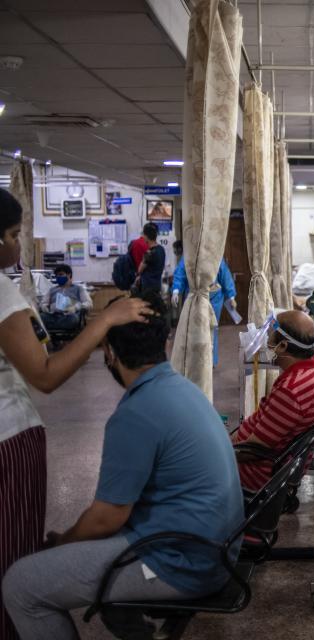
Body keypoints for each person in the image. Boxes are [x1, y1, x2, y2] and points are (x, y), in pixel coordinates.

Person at [0, 188, 152, 640]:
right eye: (12, 234)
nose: (17, 245)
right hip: (8, 439)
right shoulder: (3, 293)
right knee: (10, 554)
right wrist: (102, 323)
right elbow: (44, 374)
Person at [232, 310, 314, 491]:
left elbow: (253, 448)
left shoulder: (291, 391)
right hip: (271, 464)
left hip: (254, 473)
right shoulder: (313, 370)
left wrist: (220, 453)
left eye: (271, 334)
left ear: (283, 346)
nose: (267, 340)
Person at [171, 253, 237, 366]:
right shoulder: (189, 253)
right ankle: (196, 362)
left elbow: (225, 274)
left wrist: (231, 296)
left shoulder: (214, 252)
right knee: (195, 329)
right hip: (195, 296)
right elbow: (181, 272)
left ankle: (211, 360)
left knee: (212, 328)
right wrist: (176, 290)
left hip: (215, 296)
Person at [39, 264, 93, 333]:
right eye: (57, 275)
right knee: (41, 317)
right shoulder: (52, 289)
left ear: (69, 275)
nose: (58, 277)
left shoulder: (78, 289)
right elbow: (43, 303)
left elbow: (89, 303)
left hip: (68, 317)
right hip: (53, 315)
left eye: (61, 274)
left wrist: (76, 307)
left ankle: (54, 326)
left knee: (73, 319)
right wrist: (44, 307)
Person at [133, 223, 165, 294]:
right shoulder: (161, 249)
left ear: (146, 236)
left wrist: (138, 276)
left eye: (143, 234)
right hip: (157, 286)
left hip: (147, 289)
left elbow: (140, 270)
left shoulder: (149, 253)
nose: (143, 236)